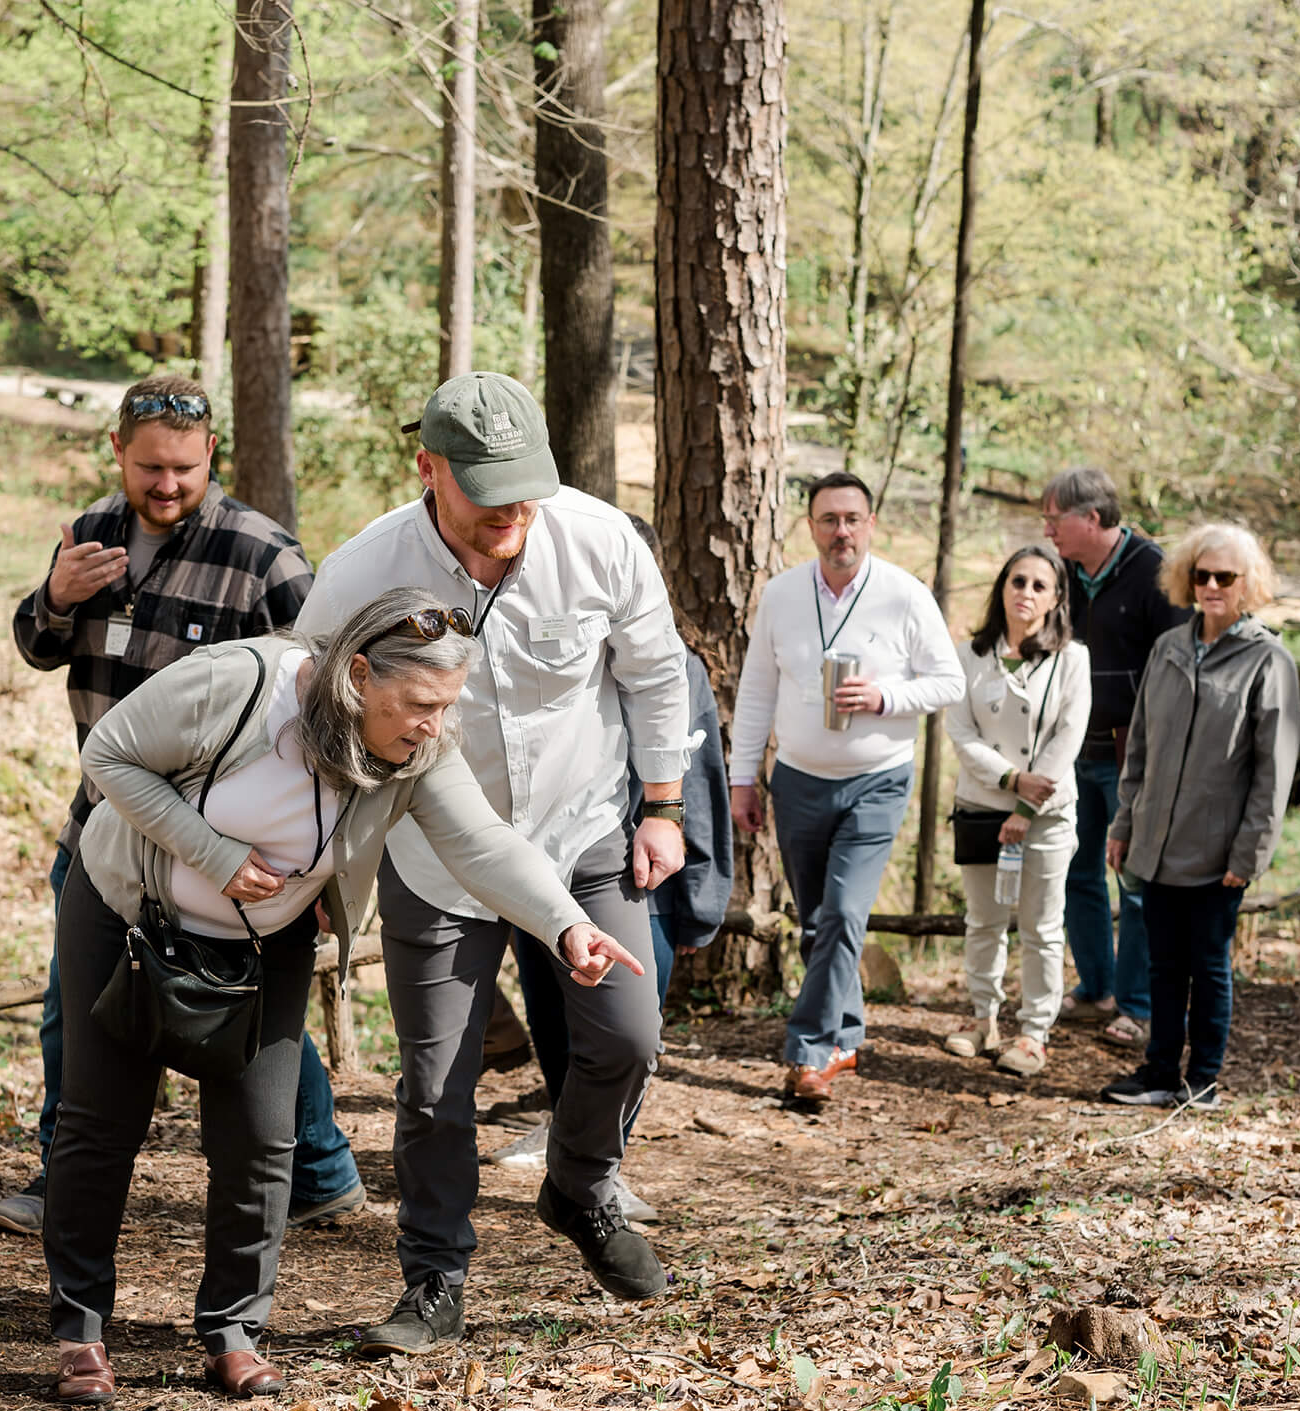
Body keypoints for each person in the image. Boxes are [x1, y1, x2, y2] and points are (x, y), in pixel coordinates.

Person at [46, 591, 648, 1404]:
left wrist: (565, 924)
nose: (433, 725)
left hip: (268, 941)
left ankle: (232, 1333)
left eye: (448, 705)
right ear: (358, 676)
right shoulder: (236, 685)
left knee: (262, 1138)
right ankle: (80, 1332)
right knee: (100, 1124)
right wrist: (211, 852)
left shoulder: (417, 750)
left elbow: (482, 844)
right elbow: (109, 754)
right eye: (421, 703)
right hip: (127, 918)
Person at [295, 372, 696, 1353]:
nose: (512, 512)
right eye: (486, 492)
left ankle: (580, 1184)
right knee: (437, 1086)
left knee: (627, 1037)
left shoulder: (601, 541)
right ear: (427, 470)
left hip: (582, 831)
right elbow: (308, 715)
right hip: (434, 857)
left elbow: (655, 673)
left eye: (526, 488)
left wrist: (662, 806)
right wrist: (315, 859)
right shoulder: (361, 572)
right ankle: (434, 1280)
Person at [0, 374, 365, 1239]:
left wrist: (317, 857)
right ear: (117, 452)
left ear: (212, 455)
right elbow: (36, 647)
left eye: (184, 470)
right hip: (103, 825)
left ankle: (319, 1171)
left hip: (225, 841)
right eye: (149, 468)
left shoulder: (265, 556)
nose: (166, 485)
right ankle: (61, 1178)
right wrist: (56, 598)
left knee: (245, 1008)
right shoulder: (88, 534)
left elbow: (328, 695)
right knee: (74, 1008)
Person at [491, 515, 734, 1222]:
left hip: (642, 883)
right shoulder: (545, 655)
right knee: (552, 1019)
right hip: (546, 872)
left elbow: (701, 786)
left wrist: (701, 895)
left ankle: (603, 1169)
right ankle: (568, 1138)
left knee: (623, 1033)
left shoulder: (680, 669)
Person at [730, 471, 964, 1102]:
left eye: (852, 519)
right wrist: (742, 778)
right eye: (829, 519)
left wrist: (885, 696)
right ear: (811, 527)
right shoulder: (781, 594)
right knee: (817, 923)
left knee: (842, 914)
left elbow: (949, 681)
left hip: (876, 782)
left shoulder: (904, 594)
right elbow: (757, 691)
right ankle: (847, 1035)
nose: (841, 531)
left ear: (871, 525)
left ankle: (808, 1053)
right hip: (797, 781)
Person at [1102, 524, 1300, 1109]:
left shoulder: (1269, 660)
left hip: (1218, 851)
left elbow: (1273, 772)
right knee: (1163, 964)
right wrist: (1124, 824)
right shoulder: (1167, 647)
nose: (1212, 585)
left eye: (1225, 576)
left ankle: (1203, 1081)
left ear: (1247, 583)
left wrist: (1250, 853)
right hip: (1156, 841)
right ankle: (1159, 1072)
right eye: (1201, 574)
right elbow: (1140, 747)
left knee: (1208, 966)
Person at [1040, 467, 1188, 1053]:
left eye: (1055, 519)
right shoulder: (1062, 575)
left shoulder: (1155, 573)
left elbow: (1178, 668)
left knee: (1134, 878)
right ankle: (1096, 988)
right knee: (1078, 872)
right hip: (1072, 749)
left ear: (1093, 518)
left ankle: (1136, 1006)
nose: (1048, 531)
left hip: (1133, 755)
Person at [940, 544, 1092, 1078]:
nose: (1026, 592)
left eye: (1039, 585)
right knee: (983, 920)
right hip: (983, 806)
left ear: (1055, 599)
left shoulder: (1072, 660)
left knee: (1041, 926)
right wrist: (1008, 779)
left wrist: (1026, 803)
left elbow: (1068, 736)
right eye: (1017, 581)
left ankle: (1034, 1032)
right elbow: (960, 731)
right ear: (1002, 588)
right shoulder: (968, 655)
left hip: (1046, 812)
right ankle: (982, 1018)